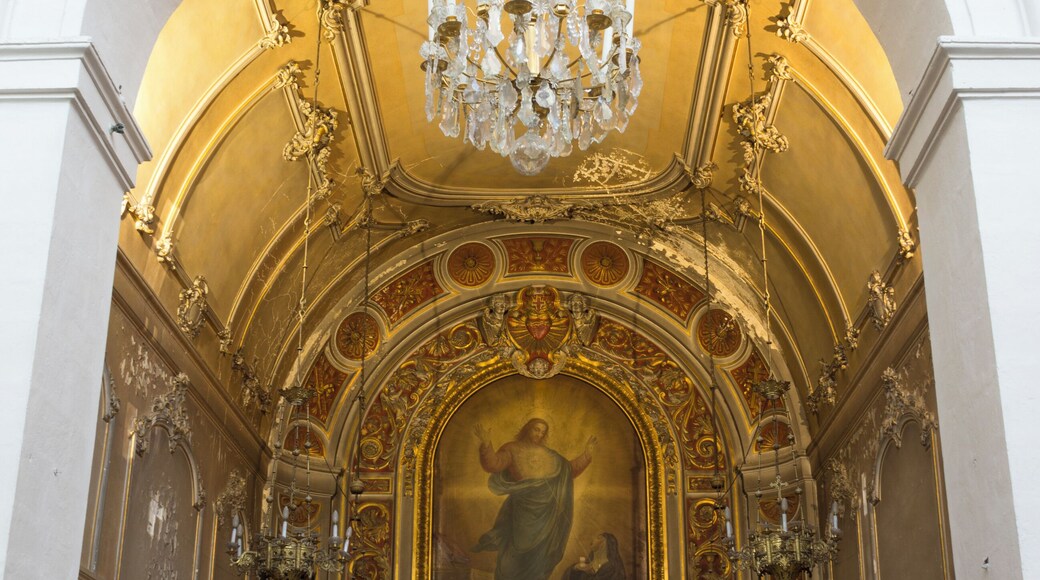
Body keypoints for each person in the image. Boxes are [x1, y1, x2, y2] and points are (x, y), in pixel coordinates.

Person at [473, 418, 597, 580]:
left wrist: (586, 455)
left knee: (539, 556)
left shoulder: (551, 455)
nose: (539, 434)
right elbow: (493, 464)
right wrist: (486, 445)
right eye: (536, 429)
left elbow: (568, 470)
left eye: (543, 431)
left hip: (547, 517)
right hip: (521, 514)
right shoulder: (513, 449)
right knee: (512, 556)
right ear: (527, 429)